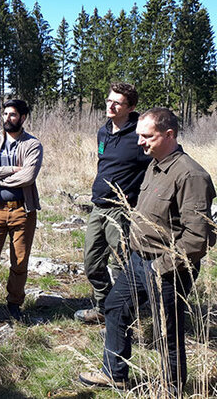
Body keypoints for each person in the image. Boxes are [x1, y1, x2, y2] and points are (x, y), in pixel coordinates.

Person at [79, 108, 216, 394]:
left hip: (168, 270)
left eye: (147, 136)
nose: (140, 142)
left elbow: (197, 238)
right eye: (139, 135)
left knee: (168, 332)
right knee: (115, 307)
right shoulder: (154, 165)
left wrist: (161, 267)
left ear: (169, 135)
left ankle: (171, 389)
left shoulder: (191, 175)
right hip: (137, 261)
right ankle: (114, 373)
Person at [75, 83, 150, 324]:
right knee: (92, 263)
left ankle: (122, 317)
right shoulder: (103, 131)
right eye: (109, 101)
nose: (111, 105)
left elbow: (157, 167)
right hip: (98, 207)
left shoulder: (140, 135)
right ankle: (102, 307)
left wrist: (139, 197)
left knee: (121, 267)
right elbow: (103, 162)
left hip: (121, 211)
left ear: (131, 107)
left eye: (117, 102)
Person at [0, 99, 43, 332]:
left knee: (20, 261)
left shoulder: (33, 145)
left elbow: (28, 177)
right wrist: (11, 170)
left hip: (23, 210)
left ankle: (14, 304)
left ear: (23, 118)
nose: (7, 118)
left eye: (12, 115)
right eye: (4, 114)